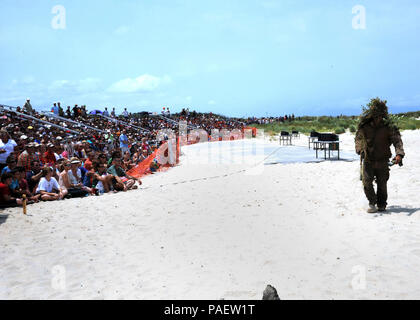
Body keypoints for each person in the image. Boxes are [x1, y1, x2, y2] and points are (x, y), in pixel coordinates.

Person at [355, 98, 405, 213]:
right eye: (376, 116)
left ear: (383, 115)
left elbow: (397, 141)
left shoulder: (388, 127)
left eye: (380, 116)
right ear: (372, 115)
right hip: (368, 159)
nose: (378, 118)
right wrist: (360, 149)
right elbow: (358, 139)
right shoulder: (365, 127)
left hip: (383, 160)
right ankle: (372, 203)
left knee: (382, 184)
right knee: (367, 182)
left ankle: (381, 204)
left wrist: (399, 154)